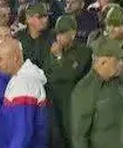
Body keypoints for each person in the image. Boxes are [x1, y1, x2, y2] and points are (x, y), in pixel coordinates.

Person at [70, 37, 123, 148]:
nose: (121, 63)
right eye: (118, 60)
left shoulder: (119, 84)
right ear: (103, 62)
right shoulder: (85, 89)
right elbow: (79, 135)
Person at [45, 15, 91, 148]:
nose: (59, 37)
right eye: (58, 34)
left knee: (73, 138)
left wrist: (59, 57)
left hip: (72, 102)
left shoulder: (84, 51)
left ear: (73, 33)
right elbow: (47, 74)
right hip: (54, 102)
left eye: (63, 33)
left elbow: (71, 75)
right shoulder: (51, 50)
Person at [0, 38, 48, 148]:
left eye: (0, 59)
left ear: (15, 58)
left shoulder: (24, 83)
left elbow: (23, 131)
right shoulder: (18, 79)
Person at [16, 3, 52, 69]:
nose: (45, 20)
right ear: (28, 18)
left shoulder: (53, 37)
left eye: (46, 16)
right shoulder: (18, 38)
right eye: (40, 17)